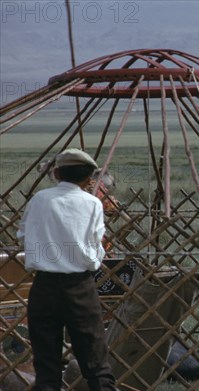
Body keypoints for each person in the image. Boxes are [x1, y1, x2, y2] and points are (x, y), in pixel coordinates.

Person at [17, 148, 117, 391]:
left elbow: (22, 236)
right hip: (80, 288)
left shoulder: (40, 200)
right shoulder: (92, 203)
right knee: (95, 360)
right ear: (87, 178)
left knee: (46, 364)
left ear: (57, 173)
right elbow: (96, 245)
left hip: (44, 287)